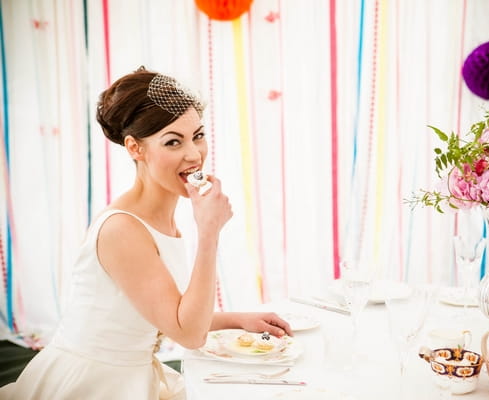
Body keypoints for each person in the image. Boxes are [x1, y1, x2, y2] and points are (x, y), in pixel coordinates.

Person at [0, 66, 292, 399]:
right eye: (173, 141)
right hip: (93, 384)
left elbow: (164, 313)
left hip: (136, 377)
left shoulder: (162, 220)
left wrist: (239, 319)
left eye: (197, 135)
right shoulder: (122, 229)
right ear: (135, 148)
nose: (194, 154)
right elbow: (188, 334)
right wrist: (208, 233)